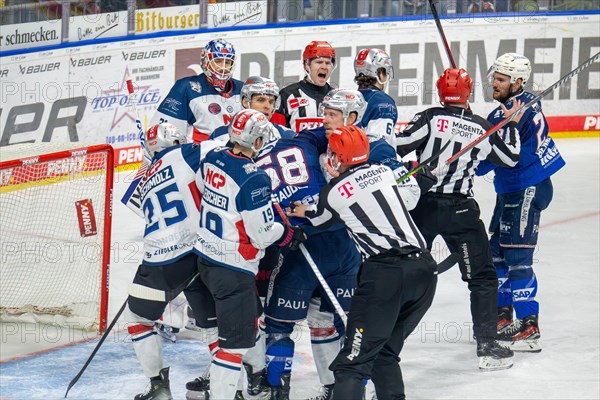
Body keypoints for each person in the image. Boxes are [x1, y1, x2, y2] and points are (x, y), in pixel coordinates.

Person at [289, 125, 438, 400]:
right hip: (425, 271)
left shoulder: (333, 192)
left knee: (352, 365)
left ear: (339, 157)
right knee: (383, 353)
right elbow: (410, 193)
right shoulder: (384, 171)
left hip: (385, 277)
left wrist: (303, 211)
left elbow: (319, 219)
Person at [396, 67, 521, 371]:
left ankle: (382, 345)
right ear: (467, 93)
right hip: (460, 213)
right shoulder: (480, 127)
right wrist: (510, 125)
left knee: (400, 275)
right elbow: (510, 158)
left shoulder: (429, 117)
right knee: (481, 277)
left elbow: (398, 145)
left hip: (422, 207)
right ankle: (488, 346)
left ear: (440, 91)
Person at [191, 109, 306, 399]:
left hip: (204, 259)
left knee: (250, 321)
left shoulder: (211, 158)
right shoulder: (254, 178)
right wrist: (287, 231)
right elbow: (262, 234)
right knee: (232, 349)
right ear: (254, 139)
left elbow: (204, 190)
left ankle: (255, 379)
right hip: (234, 269)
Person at [257, 99, 362, 400]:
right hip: (342, 241)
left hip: (298, 245)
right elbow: (337, 133)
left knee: (278, 324)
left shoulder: (248, 167)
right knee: (328, 320)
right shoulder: (302, 141)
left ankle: (277, 389)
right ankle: (336, 389)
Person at [479, 53, 565, 352]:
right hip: (513, 190)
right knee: (497, 256)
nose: (495, 83)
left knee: (517, 259)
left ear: (517, 82)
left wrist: (470, 162)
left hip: (527, 187)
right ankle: (503, 318)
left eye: (501, 79)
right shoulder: (518, 106)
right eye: (495, 77)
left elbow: (506, 157)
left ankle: (529, 325)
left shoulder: (513, 114)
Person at [124, 123, 202, 400]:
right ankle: (231, 384)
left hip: (158, 262)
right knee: (217, 324)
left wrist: (152, 164)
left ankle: (158, 387)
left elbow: (135, 206)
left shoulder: (142, 176)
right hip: (200, 254)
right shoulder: (191, 153)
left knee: (138, 318)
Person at [150, 38, 244, 143]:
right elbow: (163, 131)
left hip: (234, 156)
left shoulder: (242, 89)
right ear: (205, 62)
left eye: (227, 62)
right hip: (201, 156)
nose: (223, 67)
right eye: (217, 61)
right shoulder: (186, 88)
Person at [210, 76, 296, 142]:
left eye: (271, 102)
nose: (267, 106)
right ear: (245, 102)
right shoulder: (220, 135)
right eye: (261, 100)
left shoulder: (288, 136)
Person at [275, 40, 336, 132]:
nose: (324, 67)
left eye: (328, 63)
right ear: (306, 65)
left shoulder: (337, 98)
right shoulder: (287, 95)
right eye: (319, 62)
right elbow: (276, 134)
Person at [354, 48, 398, 146]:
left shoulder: (350, 97)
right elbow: (380, 145)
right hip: (372, 160)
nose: (386, 77)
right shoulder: (383, 101)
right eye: (385, 72)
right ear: (379, 73)